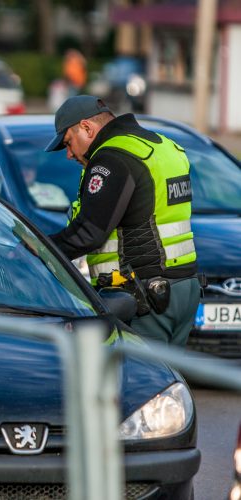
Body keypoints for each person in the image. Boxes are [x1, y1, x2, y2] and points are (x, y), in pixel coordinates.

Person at [44, 95, 200, 346]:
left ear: (86, 127)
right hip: (184, 288)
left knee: (138, 381)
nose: (69, 155)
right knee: (167, 379)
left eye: (68, 143)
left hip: (143, 297)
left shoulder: (113, 157)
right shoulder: (165, 147)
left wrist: (38, 251)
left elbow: (88, 233)